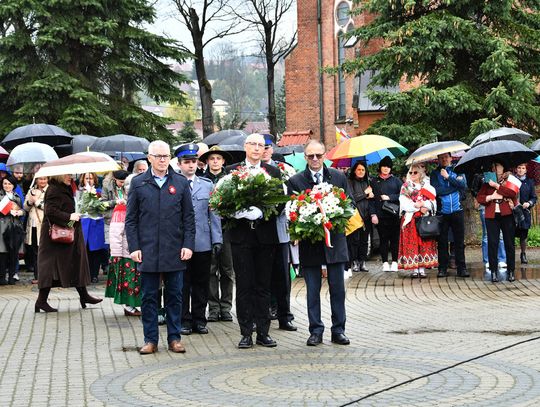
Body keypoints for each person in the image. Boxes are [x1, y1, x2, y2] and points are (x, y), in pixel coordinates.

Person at [125, 140, 195, 355]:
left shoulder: (180, 183)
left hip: (174, 249)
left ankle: (174, 338)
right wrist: (134, 247)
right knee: (148, 297)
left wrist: (188, 245)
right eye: (158, 156)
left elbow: (189, 218)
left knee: (175, 295)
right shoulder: (138, 183)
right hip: (147, 250)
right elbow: (131, 220)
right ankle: (150, 339)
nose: (163, 160)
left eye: (166, 156)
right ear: (150, 158)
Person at [286, 140, 351, 346]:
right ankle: (315, 330)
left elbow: (350, 204)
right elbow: (291, 212)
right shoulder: (296, 181)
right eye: (311, 156)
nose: (315, 159)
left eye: (319, 155)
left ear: (325, 156)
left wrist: (336, 214)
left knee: (337, 289)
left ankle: (338, 330)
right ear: (305, 157)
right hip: (310, 244)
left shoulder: (339, 177)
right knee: (312, 290)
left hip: (335, 242)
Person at [225, 133, 282, 349]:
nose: (257, 148)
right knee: (245, 286)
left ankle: (263, 333)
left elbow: (280, 204)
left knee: (263, 286)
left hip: (265, 237)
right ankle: (246, 333)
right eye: (253, 144)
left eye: (261, 145)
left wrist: (262, 211)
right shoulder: (232, 171)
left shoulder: (274, 172)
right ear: (245, 147)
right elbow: (223, 200)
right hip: (241, 237)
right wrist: (238, 212)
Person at [35, 174, 102, 312]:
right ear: (59, 175)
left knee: (75, 263)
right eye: (67, 175)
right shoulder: (54, 189)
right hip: (55, 237)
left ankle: (84, 295)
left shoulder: (66, 187)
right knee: (51, 268)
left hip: (68, 231)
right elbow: (50, 211)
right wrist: (70, 217)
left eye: (71, 175)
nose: (70, 177)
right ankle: (41, 301)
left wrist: (75, 215)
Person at [175, 143, 223, 335]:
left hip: (203, 241)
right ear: (179, 164)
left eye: (194, 161)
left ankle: (199, 319)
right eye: (187, 162)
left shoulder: (207, 185)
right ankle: (184, 319)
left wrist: (217, 239)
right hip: (180, 242)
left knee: (201, 283)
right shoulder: (175, 184)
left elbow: (214, 214)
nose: (191, 165)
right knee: (182, 283)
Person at [261, 134, 297, 331]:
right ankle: (264, 311)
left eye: (267, 147)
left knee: (283, 276)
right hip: (260, 230)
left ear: (272, 149)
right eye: (260, 146)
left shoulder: (285, 170)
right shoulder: (250, 171)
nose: (264, 150)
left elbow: (295, 197)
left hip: (281, 228)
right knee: (263, 274)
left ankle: (284, 314)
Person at [200, 146, 235, 322]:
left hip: (227, 228)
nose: (215, 161)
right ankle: (213, 307)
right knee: (211, 270)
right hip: (207, 231)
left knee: (227, 270)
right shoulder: (201, 180)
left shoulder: (230, 179)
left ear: (223, 161)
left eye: (218, 158)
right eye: (212, 158)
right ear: (207, 161)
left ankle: (226, 307)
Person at [104, 170, 141, 317]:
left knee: (136, 279)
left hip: (138, 249)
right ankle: (129, 306)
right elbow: (115, 231)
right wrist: (116, 253)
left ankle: (135, 305)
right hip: (126, 251)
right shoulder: (121, 207)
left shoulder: (138, 204)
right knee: (128, 280)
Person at [476, 161, 518, 282]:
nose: (495, 168)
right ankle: (494, 271)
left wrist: (497, 186)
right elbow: (480, 197)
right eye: (494, 167)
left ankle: (511, 271)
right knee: (492, 243)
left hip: (507, 215)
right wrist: (491, 197)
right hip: (492, 216)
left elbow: (513, 193)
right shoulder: (487, 182)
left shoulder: (509, 180)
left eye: (498, 166)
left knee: (509, 243)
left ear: (503, 167)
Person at [430, 153, 469, 278]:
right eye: (441, 158)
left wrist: (448, 177)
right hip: (442, 212)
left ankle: (462, 268)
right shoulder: (434, 174)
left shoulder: (458, 170)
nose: (444, 159)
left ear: (451, 158)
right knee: (442, 242)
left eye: (446, 157)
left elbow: (463, 185)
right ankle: (442, 268)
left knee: (459, 241)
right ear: (438, 160)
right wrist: (455, 187)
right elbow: (437, 191)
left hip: (457, 210)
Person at [397, 164, 438, 278]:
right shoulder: (406, 187)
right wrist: (417, 206)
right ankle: (414, 268)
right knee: (412, 243)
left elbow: (433, 202)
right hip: (411, 219)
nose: (412, 175)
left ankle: (422, 268)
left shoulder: (428, 187)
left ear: (420, 173)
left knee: (424, 242)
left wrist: (425, 205)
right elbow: (404, 203)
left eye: (415, 172)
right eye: (410, 172)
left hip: (424, 219)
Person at [371, 156, 402, 272]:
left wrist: (389, 197)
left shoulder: (396, 181)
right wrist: (373, 214)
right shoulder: (374, 181)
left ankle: (394, 262)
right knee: (383, 240)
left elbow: (403, 195)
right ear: (380, 167)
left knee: (395, 240)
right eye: (384, 166)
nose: (386, 169)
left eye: (388, 166)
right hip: (380, 216)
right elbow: (371, 200)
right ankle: (384, 262)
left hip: (394, 215)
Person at [77, 172, 107, 283]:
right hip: (83, 223)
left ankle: (94, 274)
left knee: (96, 250)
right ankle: (85, 274)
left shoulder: (99, 193)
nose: (89, 180)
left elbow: (102, 207)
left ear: (94, 180)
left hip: (96, 224)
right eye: (86, 178)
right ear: (83, 179)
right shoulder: (79, 193)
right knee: (84, 250)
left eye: (91, 178)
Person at [347, 160, 374, 272]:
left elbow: (372, 197)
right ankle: (354, 262)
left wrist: (371, 194)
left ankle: (362, 261)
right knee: (354, 241)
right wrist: (365, 193)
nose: (361, 171)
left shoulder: (368, 181)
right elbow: (351, 197)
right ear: (354, 171)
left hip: (367, 215)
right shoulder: (350, 182)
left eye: (363, 170)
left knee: (365, 240)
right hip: (355, 216)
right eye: (359, 169)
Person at [0, 175, 25, 285]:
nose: (7, 186)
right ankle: (1, 277)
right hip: (2, 227)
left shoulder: (17, 196)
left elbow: (23, 210)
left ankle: (11, 276)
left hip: (15, 227)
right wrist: (7, 210)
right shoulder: (0, 196)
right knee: (2, 253)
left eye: (9, 184)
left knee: (13, 253)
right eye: (5, 183)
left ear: (13, 185)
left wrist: (20, 212)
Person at [23, 176, 48, 284]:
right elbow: (25, 208)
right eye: (40, 179)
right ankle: (37, 275)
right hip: (32, 225)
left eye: (45, 179)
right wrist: (29, 201)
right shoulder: (31, 190)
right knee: (35, 251)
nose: (42, 181)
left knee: (44, 251)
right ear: (36, 180)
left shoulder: (50, 191)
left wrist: (37, 202)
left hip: (43, 225)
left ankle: (45, 275)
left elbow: (49, 207)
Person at [514, 163, 536, 264]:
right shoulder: (512, 180)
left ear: (526, 170)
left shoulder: (530, 182)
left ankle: (523, 254)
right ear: (516, 169)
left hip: (524, 212)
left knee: (523, 235)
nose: (521, 170)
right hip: (513, 212)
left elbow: (534, 197)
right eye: (519, 167)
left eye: (523, 168)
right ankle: (509, 255)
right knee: (510, 234)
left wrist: (529, 203)